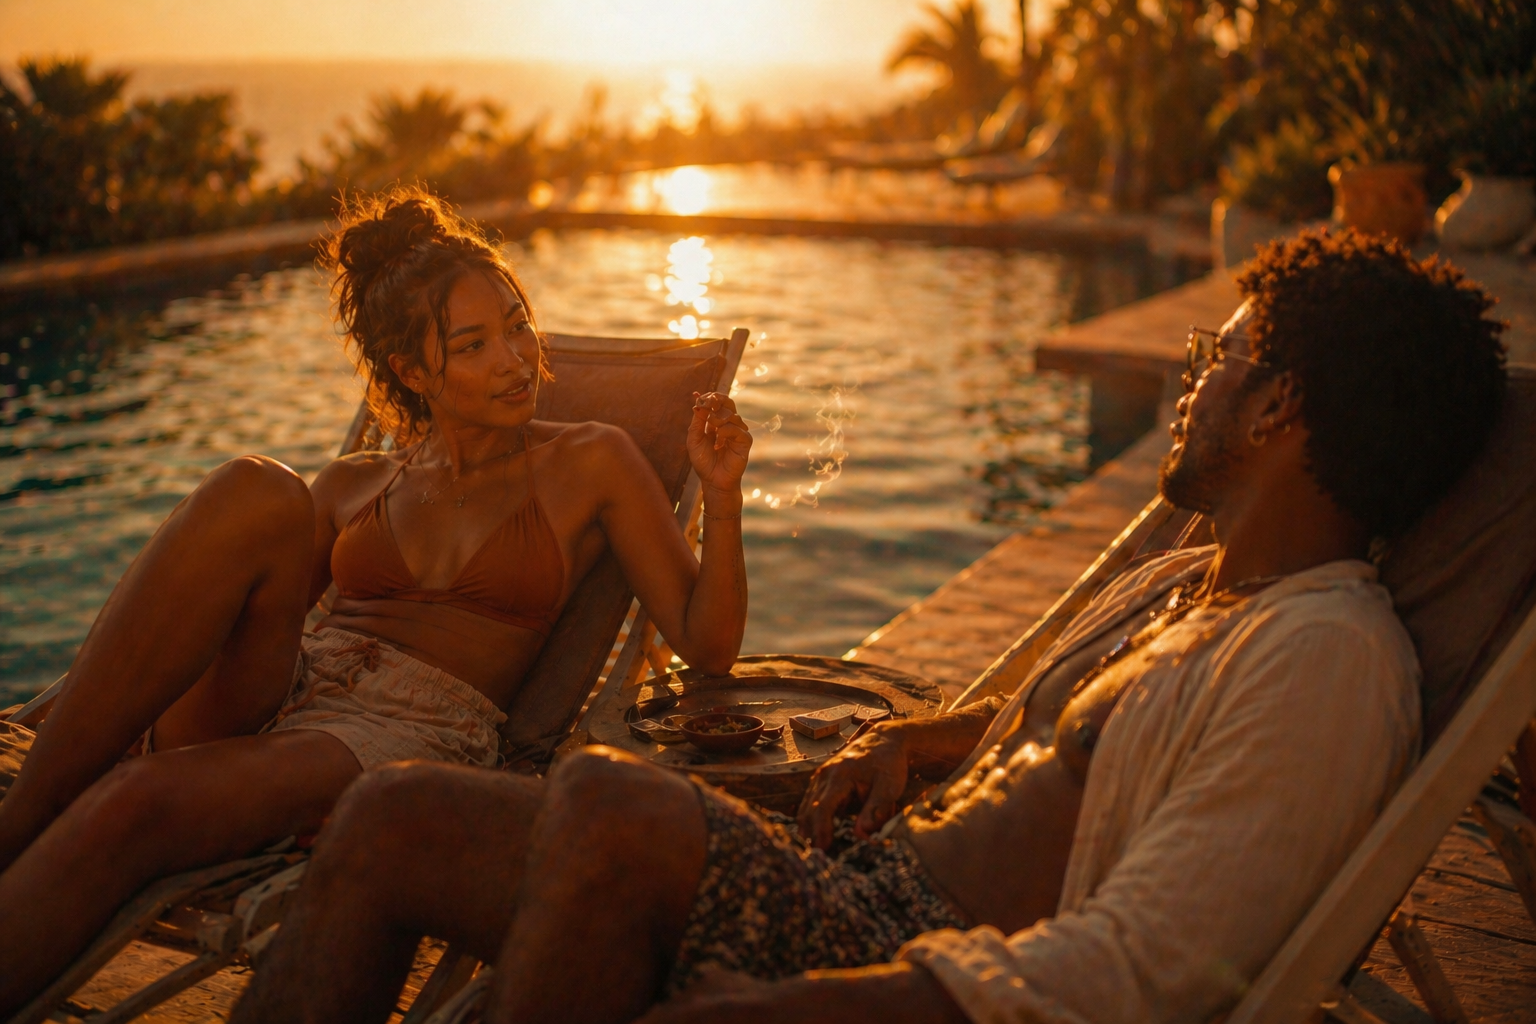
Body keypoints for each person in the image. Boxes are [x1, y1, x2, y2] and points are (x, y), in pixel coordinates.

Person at [233, 228, 1506, 1024]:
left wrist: (808, 1007)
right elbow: (1082, 744)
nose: (1189, 376)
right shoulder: (1199, 587)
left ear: (1279, 408)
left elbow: (1143, 973)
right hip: (861, 877)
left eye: (1212, 356)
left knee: (613, 811)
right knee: (396, 810)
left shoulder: (1326, 659)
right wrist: (934, 742)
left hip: (896, 941)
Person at [0, 187, 753, 1012]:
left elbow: (705, 642)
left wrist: (722, 497)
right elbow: (254, 629)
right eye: (474, 344)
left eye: (516, 323)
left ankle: (25, 824)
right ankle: (36, 802)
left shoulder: (590, 463)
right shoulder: (361, 480)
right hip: (283, 689)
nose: (515, 357)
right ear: (413, 372)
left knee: (136, 801)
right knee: (257, 489)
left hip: (400, 731)